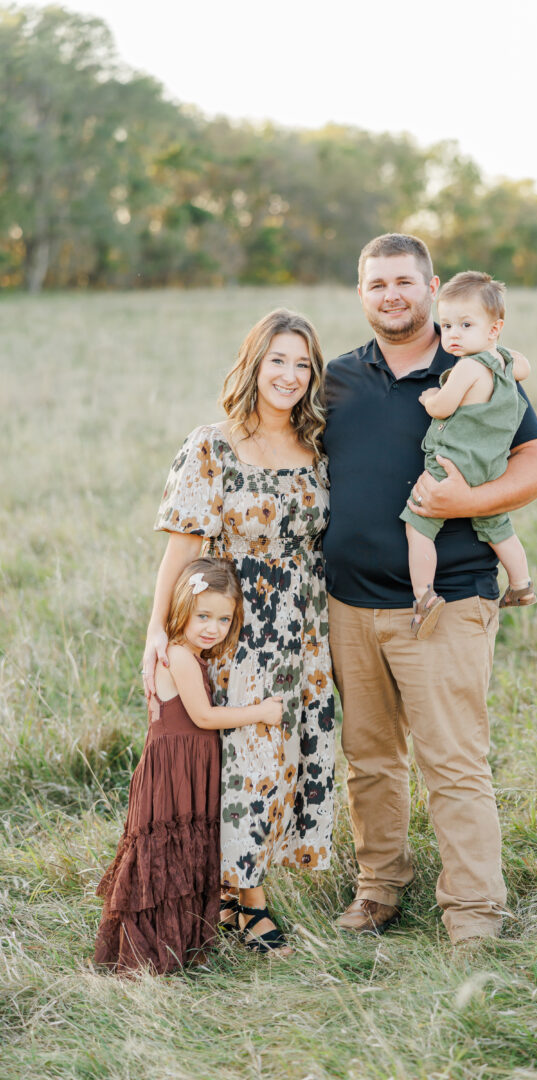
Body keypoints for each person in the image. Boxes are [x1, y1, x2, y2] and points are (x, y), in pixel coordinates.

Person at [323, 234, 537, 944]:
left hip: (448, 599)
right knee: (369, 760)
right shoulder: (335, 377)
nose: (391, 294)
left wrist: (466, 504)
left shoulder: (474, 366)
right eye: (376, 284)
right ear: (362, 295)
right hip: (349, 603)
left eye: (404, 281)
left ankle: (475, 913)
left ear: (431, 290)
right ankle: (379, 890)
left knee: (452, 761)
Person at [142, 309, 335, 956]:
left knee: (288, 757)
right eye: (277, 360)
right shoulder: (212, 445)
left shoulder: (317, 447)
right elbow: (181, 555)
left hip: (305, 628)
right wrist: (158, 639)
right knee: (249, 757)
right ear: (254, 364)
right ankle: (245, 900)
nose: (289, 375)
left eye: (302, 364)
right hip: (236, 627)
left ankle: (239, 882)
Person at [95, 557, 283, 974]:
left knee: (183, 853)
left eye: (223, 618)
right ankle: (153, 953)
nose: (212, 628)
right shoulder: (179, 655)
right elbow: (203, 718)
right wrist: (261, 712)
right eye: (203, 615)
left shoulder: (193, 654)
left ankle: (179, 944)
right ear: (181, 607)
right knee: (167, 854)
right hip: (173, 772)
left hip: (188, 768)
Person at [401, 270, 537, 639]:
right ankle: (522, 583)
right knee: (497, 526)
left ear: (493, 329)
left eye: (465, 324)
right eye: (446, 325)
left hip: (452, 466)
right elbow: (525, 365)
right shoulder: (506, 362)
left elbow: (443, 407)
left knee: (419, 527)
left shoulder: (467, 366)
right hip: (490, 467)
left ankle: (424, 596)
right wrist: (504, 351)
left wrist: (429, 398)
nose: (454, 335)